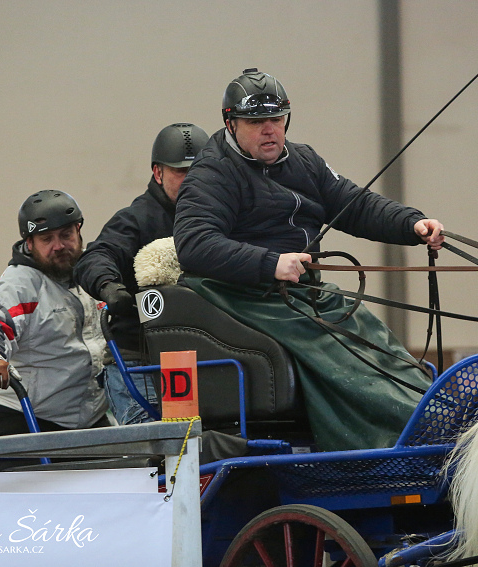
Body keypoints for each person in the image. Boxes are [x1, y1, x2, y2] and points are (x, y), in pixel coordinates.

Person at [174, 68, 446, 452]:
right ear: (230, 123)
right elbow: (195, 244)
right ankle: (398, 436)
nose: (269, 130)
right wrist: (269, 263)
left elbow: (355, 204)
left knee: (366, 327)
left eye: (276, 119)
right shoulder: (211, 172)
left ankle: (432, 409)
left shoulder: (304, 160)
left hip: (301, 289)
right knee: (335, 345)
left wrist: (411, 224)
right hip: (241, 293)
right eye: (256, 122)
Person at [74, 123, 210, 424]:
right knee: (160, 454)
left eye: (198, 171)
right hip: (140, 361)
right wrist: (109, 286)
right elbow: (97, 255)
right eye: (180, 172)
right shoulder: (135, 220)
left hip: (203, 359)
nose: (191, 181)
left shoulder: (221, 218)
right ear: (157, 173)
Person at [0, 190, 109, 470]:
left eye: (66, 234)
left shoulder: (94, 273)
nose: (59, 246)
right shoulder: (20, 284)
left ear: (79, 232)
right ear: (29, 243)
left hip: (87, 417)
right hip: (21, 415)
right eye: (47, 239)